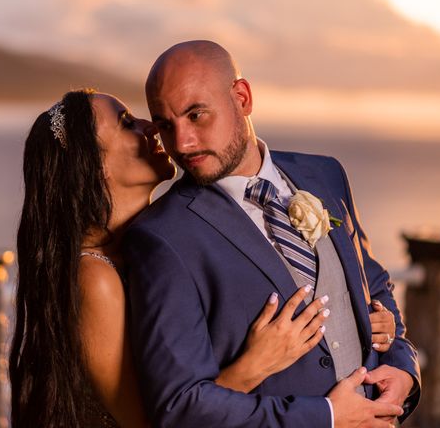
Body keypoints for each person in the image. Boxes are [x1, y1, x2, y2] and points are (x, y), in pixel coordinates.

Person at [9, 89, 395, 427]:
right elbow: (155, 423)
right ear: (92, 166)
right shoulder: (93, 276)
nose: (152, 127)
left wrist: (363, 313)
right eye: (127, 123)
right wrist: (255, 364)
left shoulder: (150, 242)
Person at [123, 40, 421, 427]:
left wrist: (403, 369)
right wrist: (327, 417)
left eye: (196, 115)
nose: (181, 143)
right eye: (165, 125)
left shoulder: (326, 175)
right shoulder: (161, 237)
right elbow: (180, 406)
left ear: (242, 98)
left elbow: (375, 288)